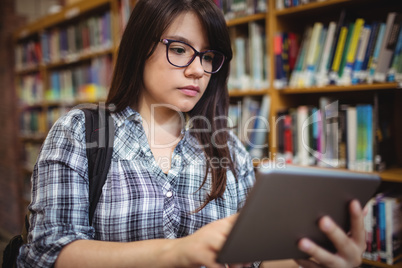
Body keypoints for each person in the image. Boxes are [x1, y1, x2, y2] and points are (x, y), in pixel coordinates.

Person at [18, 0, 367, 267]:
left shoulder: (229, 148)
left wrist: (310, 259)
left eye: (208, 56)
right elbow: (48, 251)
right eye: (180, 50)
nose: (199, 70)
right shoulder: (80, 131)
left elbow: (254, 260)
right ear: (141, 47)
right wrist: (177, 251)